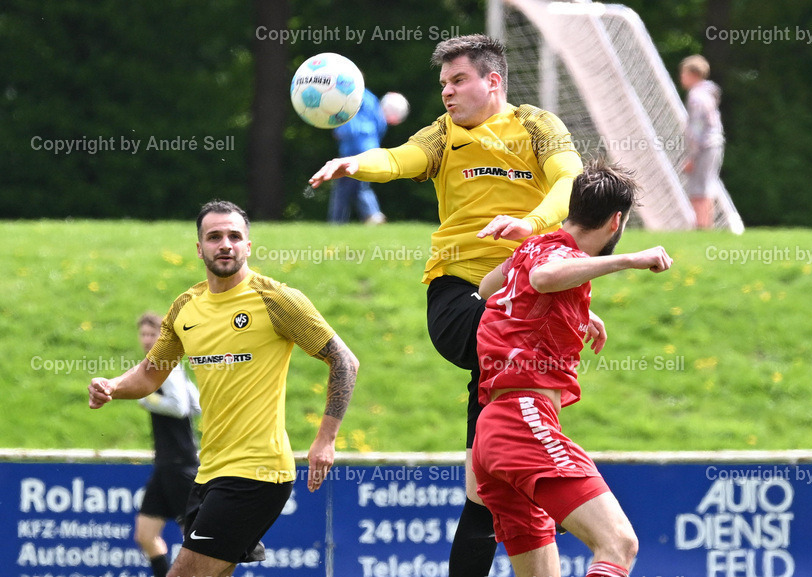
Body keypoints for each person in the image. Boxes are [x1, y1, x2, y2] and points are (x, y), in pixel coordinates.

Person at [309, 34, 585, 576]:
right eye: (443, 84)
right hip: (459, 295)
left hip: (522, 301)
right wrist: (355, 164)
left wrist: (529, 225)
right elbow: (399, 158)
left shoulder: (536, 126)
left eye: (458, 81)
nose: (447, 93)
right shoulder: (444, 134)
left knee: (485, 490)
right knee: (505, 344)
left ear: (493, 81)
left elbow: (571, 183)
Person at [88, 200, 358, 577]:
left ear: (249, 245)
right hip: (208, 471)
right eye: (214, 237)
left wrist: (325, 439)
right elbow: (152, 374)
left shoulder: (277, 300)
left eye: (235, 236)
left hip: (257, 473)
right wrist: (112, 386)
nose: (225, 244)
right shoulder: (186, 308)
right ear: (199, 248)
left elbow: (344, 361)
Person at [472, 159, 672, 577]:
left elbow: (489, 287)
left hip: (492, 430)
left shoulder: (534, 246)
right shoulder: (555, 257)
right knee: (618, 543)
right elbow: (545, 278)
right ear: (617, 221)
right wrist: (630, 260)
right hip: (523, 420)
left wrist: (578, 310)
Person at [133, 312, 201, 577]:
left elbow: (182, 406)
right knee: (145, 534)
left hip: (181, 465)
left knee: (195, 541)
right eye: (144, 335)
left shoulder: (166, 364)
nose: (148, 340)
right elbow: (196, 404)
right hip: (165, 465)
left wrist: (145, 396)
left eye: (153, 334)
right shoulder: (163, 366)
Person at [328, 89, 400, 225]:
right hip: (371, 147)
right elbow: (381, 123)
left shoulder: (347, 96)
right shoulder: (371, 97)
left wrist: (338, 131)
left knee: (346, 186)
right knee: (358, 184)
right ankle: (371, 215)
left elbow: (348, 124)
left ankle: (341, 221)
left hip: (354, 147)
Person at [678, 54, 725, 230]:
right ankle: (706, 225)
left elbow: (696, 129)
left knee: (699, 189)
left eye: (683, 73)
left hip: (704, 147)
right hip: (713, 145)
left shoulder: (696, 96)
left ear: (693, 74)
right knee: (706, 185)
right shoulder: (707, 94)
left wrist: (691, 156)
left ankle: (702, 225)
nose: (681, 77)